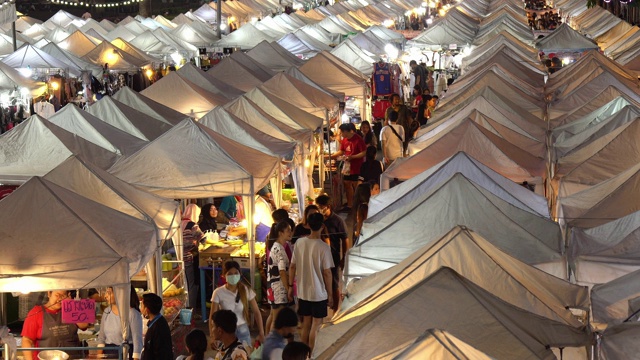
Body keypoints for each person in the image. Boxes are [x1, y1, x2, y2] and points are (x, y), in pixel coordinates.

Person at [289, 213, 334, 351]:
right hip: (318, 293)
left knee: (306, 323)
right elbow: (327, 273)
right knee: (316, 324)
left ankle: (303, 353)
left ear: (308, 225)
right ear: (322, 226)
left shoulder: (299, 242)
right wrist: (330, 295)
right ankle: (312, 353)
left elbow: (292, 266)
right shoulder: (324, 248)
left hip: (303, 291)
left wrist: (291, 286)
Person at [210, 261, 265, 348]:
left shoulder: (246, 290)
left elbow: (256, 312)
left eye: (236, 273)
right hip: (225, 332)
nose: (233, 276)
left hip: (242, 329)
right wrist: (213, 337)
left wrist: (261, 332)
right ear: (224, 275)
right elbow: (212, 316)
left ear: (240, 274)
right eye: (230, 274)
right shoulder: (218, 292)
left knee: (244, 355)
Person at [21, 290, 89, 360]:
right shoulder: (36, 312)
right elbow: (27, 340)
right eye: (57, 295)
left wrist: (71, 305)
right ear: (49, 294)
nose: (59, 299)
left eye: (63, 296)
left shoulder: (71, 309)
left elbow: (84, 326)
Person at [315, 194, 347, 312]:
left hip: (333, 257)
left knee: (334, 284)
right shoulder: (318, 220)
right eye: (318, 206)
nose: (320, 208)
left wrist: (344, 256)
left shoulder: (338, 221)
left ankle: (335, 310)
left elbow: (345, 239)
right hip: (319, 257)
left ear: (328, 206)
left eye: (321, 206)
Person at [97, 286, 143, 359]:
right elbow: (101, 337)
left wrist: (136, 357)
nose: (105, 296)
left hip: (126, 353)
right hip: (109, 353)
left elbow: (137, 340)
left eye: (109, 293)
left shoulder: (132, 313)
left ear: (119, 293)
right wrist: (99, 356)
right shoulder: (106, 312)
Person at [330, 123, 367, 211]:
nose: (341, 134)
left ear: (346, 131)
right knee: (347, 184)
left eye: (341, 132)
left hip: (357, 166)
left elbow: (364, 152)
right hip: (347, 166)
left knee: (355, 185)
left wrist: (353, 157)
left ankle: (358, 204)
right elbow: (341, 151)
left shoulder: (358, 139)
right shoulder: (344, 140)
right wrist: (331, 156)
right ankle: (350, 204)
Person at [266, 221, 294, 334]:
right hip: (278, 289)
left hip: (273, 287)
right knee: (277, 320)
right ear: (280, 233)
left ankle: (268, 341)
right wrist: (289, 290)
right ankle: (273, 344)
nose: (291, 233)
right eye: (288, 230)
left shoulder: (276, 247)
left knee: (273, 316)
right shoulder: (279, 250)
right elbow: (282, 272)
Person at [140, 293, 173, 360]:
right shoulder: (156, 322)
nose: (140, 308)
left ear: (147, 310)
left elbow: (160, 353)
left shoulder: (159, 327)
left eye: (141, 306)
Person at [183, 220, 205, 309]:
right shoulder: (192, 225)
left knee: (184, 284)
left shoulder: (178, 223)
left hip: (178, 258)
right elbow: (203, 238)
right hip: (188, 258)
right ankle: (191, 311)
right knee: (192, 285)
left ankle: (184, 309)